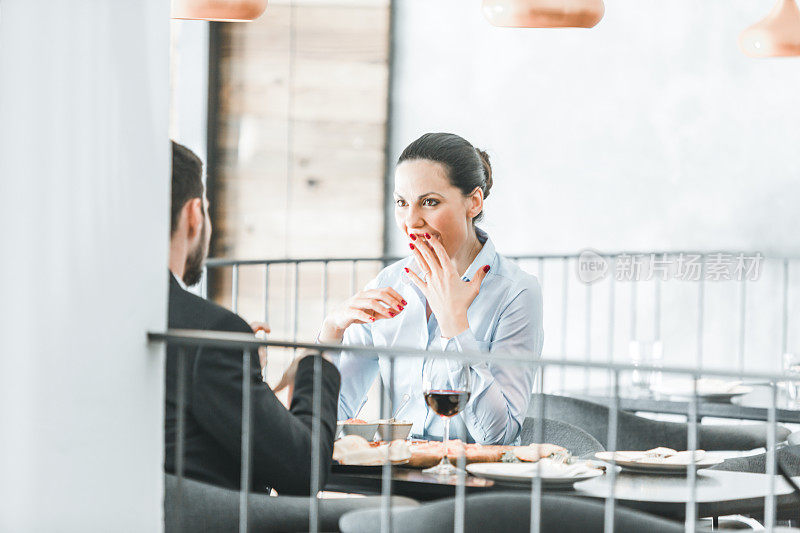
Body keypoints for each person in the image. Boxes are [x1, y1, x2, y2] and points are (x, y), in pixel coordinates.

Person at [319, 132, 543, 445]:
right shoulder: (388, 284)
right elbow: (330, 415)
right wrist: (332, 331)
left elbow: (497, 436)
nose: (411, 221)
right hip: (396, 473)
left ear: (473, 202)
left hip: (475, 485)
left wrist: (456, 328)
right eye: (401, 203)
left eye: (429, 202)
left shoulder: (516, 292)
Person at [165, 141, 341, 494]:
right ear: (194, 215)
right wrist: (314, 366)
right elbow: (302, 471)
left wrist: (248, 375)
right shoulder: (211, 333)